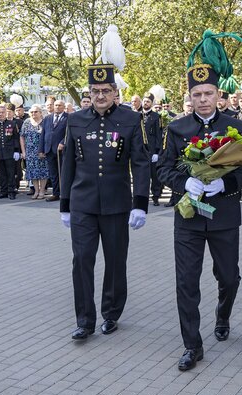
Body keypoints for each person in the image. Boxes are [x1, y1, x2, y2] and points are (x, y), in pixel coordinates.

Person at [157, 30, 242, 371]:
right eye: (196, 94)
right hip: (188, 218)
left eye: (208, 93)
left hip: (224, 215)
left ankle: (223, 316)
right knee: (186, 282)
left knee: (229, 277)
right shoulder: (177, 127)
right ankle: (192, 346)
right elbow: (164, 170)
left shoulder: (235, 128)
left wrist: (223, 184)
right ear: (189, 95)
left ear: (218, 94)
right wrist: (186, 182)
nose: (202, 99)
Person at [60, 51, 151, 341]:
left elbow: (140, 162)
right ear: (89, 93)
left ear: (115, 92)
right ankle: (84, 320)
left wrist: (141, 204)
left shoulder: (130, 119)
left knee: (114, 261)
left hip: (116, 204)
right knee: (82, 260)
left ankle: (111, 313)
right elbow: (68, 164)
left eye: (105, 91)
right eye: (95, 91)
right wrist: (64, 205)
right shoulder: (76, 121)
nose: (100, 95)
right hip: (83, 203)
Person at [0, 105, 20, 200]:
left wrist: (16, 151)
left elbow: (16, 138)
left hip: (10, 153)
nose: (1, 114)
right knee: (1, 174)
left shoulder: (12, 124)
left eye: (2, 112)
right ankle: (3, 191)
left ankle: (11, 192)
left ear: (5, 113)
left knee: (10, 173)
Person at [39, 99, 68, 201]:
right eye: (56, 105)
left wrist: (63, 142)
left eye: (60, 105)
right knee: (53, 173)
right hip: (49, 150)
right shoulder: (47, 118)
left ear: (64, 107)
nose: (57, 107)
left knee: (63, 172)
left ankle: (64, 193)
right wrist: (41, 150)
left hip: (61, 150)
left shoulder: (68, 118)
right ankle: (55, 193)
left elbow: (69, 133)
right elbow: (43, 134)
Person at [20, 105, 49, 199]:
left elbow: (48, 137)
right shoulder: (27, 122)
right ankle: (36, 191)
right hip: (30, 152)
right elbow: (22, 136)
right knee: (33, 172)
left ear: (41, 113)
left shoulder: (45, 122)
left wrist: (45, 150)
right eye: (31, 112)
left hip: (42, 151)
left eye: (36, 112)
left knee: (43, 172)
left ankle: (42, 191)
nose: (33, 113)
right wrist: (23, 152)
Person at [142, 91, 163, 206]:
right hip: (140, 150)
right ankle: (142, 196)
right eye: (144, 101)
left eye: (148, 101)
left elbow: (159, 135)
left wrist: (157, 152)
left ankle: (155, 196)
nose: (146, 103)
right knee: (142, 175)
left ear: (151, 103)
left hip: (151, 150)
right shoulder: (138, 115)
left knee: (154, 175)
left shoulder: (156, 117)